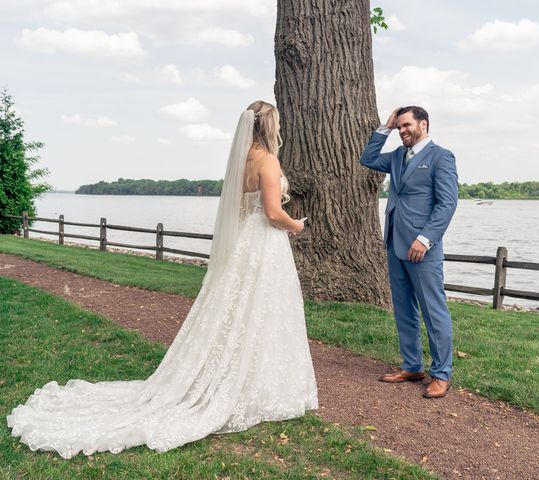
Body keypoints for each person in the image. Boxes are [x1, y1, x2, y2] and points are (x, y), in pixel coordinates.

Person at [7, 100, 318, 458]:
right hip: (263, 242)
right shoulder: (268, 160)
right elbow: (273, 211)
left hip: (245, 244)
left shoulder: (244, 160)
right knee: (262, 310)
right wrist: (296, 225)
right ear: (271, 125)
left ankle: (249, 378)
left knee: (241, 311)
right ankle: (258, 385)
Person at [360, 106, 458, 399]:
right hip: (394, 242)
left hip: (422, 249)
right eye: (399, 126)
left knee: (433, 310)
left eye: (406, 125)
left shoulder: (442, 157)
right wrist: (385, 128)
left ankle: (441, 374)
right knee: (403, 309)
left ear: (423, 125)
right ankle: (412, 365)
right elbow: (367, 158)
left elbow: (447, 204)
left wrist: (425, 239)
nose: (402, 131)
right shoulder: (397, 157)